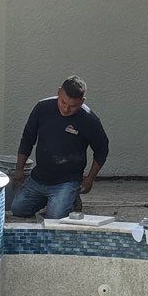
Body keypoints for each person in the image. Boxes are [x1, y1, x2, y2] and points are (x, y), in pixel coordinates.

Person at [9, 77, 109, 221]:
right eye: (63, 102)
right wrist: (19, 169)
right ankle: (50, 200)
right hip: (39, 177)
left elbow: (102, 150)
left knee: (54, 218)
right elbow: (27, 138)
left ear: (82, 101)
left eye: (73, 106)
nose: (66, 109)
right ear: (59, 92)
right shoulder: (42, 108)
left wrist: (90, 179)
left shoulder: (89, 120)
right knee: (18, 209)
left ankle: (72, 200)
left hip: (67, 181)